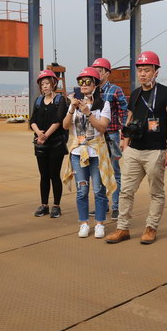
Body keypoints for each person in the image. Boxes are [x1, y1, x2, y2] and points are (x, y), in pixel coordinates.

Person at [106, 51, 167, 245]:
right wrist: (125, 142)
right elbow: (129, 119)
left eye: (147, 70)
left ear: (156, 71)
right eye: (140, 70)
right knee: (126, 191)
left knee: (156, 192)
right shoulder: (136, 94)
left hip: (156, 150)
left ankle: (151, 227)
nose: (143, 74)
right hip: (134, 150)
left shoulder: (166, 93)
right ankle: (122, 228)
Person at [61, 67, 115, 239]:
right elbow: (65, 125)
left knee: (99, 190)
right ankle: (84, 223)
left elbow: (102, 127)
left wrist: (88, 113)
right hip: (78, 152)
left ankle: (99, 223)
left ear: (95, 84)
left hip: (96, 152)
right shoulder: (75, 104)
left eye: (87, 81)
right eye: (80, 82)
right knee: (82, 190)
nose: (83, 85)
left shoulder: (103, 104)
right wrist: (72, 107)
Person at [29, 69, 68, 218]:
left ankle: (56, 205)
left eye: (47, 83)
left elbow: (58, 121)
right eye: (42, 84)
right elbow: (32, 120)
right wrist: (38, 133)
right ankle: (44, 205)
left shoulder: (60, 100)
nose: (45, 86)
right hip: (40, 143)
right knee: (44, 175)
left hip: (55, 144)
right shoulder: (38, 101)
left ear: (54, 84)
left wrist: (45, 135)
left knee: (54, 175)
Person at [92, 57, 128, 220]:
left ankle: (116, 206)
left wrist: (124, 136)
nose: (97, 74)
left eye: (100, 71)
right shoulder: (92, 90)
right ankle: (102, 205)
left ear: (107, 73)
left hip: (111, 135)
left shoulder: (115, 90)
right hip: (95, 136)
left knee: (114, 171)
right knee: (98, 171)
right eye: (95, 71)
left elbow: (124, 113)